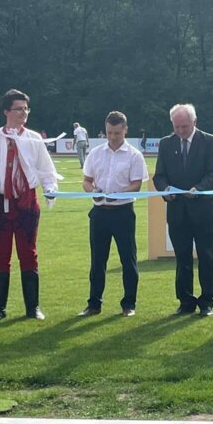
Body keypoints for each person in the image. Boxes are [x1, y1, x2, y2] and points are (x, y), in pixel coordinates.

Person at [0, 89, 61, 322]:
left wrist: (51, 191)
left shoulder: (33, 138)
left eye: (25, 109)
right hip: (0, 201)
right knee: (0, 255)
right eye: (18, 109)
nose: (23, 113)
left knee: (29, 254)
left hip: (27, 201)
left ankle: (33, 308)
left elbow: (46, 169)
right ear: (6, 112)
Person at [152, 104, 213, 317]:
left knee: (207, 256)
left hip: (203, 210)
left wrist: (198, 189)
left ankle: (207, 301)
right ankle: (185, 301)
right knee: (182, 257)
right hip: (177, 211)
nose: (181, 131)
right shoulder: (166, 144)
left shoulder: (209, 141)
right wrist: (165, 190)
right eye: (176, 127)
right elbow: (159, 175)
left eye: (184, 126)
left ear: (194, 122)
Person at [78, 111, 149, 318]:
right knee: (97, 260)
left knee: (128, 259)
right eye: (109, 132)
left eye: (117, 133)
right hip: (99, 212)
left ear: (125, 130)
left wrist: (118, 194)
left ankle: (129, 303)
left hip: (123, 212)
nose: (112, 137)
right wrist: (92, 191)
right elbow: (87, 180)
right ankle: (94, 303)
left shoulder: (134, 155)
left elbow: (136, 185)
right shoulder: (96, 153)